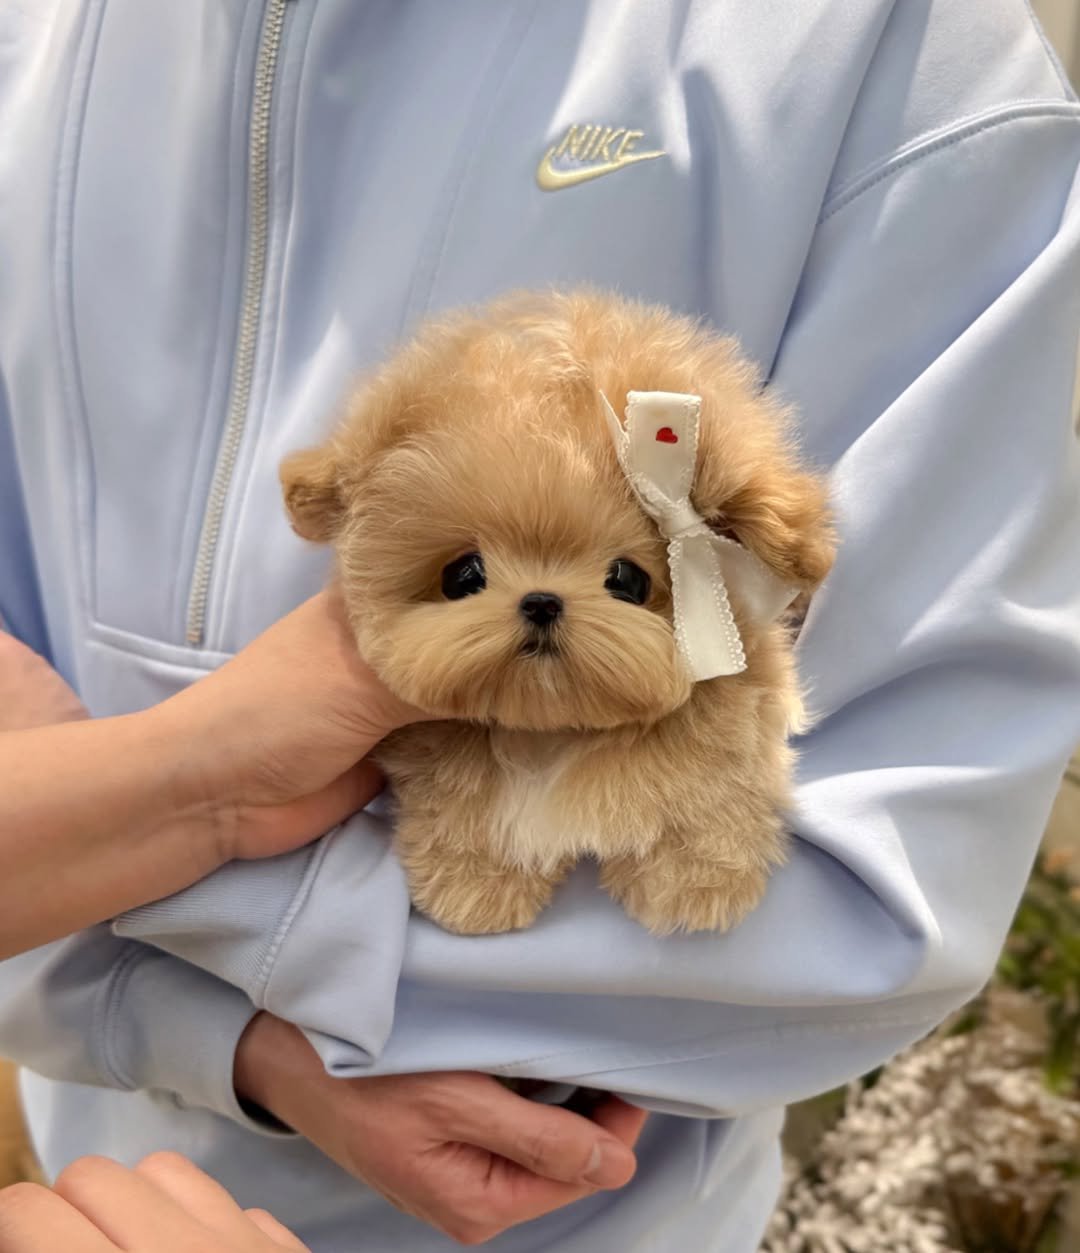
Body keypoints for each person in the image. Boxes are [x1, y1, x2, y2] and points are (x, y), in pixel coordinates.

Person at [2, 1, 1079, 1249]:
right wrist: (218, 1016)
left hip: (584, 1216)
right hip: (91, 1183)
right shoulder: (35, 36)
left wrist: (92, 860)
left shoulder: (891, 50)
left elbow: (878, 900)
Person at [0, 598, 643, 1248]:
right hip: (119, 1184)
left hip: (624, 1223)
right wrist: (252, 1046)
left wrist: (89, 820)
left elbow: (705, 947)